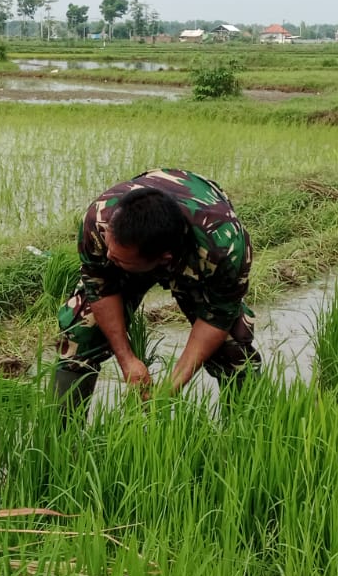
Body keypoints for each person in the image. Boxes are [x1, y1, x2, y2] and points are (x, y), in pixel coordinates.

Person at [54, 167, 260, 414]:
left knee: (232, 347)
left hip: (195, 243)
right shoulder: (100, 221)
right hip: (149, 229)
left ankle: (244, 432)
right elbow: (100, 284)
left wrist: (170, 388)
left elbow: (218, 316)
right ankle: (63, 435)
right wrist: (127, 360)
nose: (108, 256)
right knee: (82, 331)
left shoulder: (224, 248)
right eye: (109, 248)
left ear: (164, 259)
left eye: (119, 259)